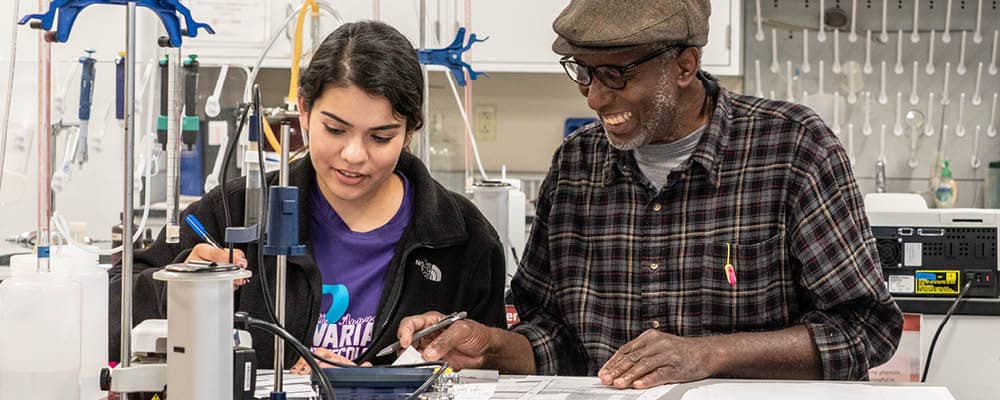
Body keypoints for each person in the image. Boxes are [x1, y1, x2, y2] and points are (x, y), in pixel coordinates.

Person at [396, 0, 903, 388]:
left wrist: (708, 355)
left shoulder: (792, 148)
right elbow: (554, 338)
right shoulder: (576, 166)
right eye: (583, 72)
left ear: (684, 65)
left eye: (616, 73)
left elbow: (865, 329)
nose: (595, 97)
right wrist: (487, 346)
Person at [109, 21, 507, 371]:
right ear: (304, 110)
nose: (354, 155)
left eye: (381, 137)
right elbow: (109, 312)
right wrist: (177, 289)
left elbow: (492, 373)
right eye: (335, 129)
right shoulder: (233, 212)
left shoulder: (463, 238)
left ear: (410, 131)